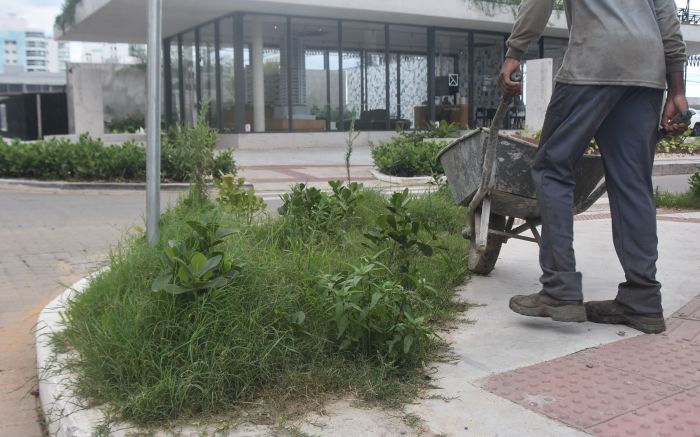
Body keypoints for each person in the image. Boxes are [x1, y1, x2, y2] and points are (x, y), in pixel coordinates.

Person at [499, 0, 689, 334]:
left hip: (594, 62)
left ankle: (559, 289)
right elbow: (667, 16)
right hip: (647, 70)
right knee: (632, 182)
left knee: (552, 167)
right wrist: (677, 90)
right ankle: (643, 298)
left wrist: (514, 51)